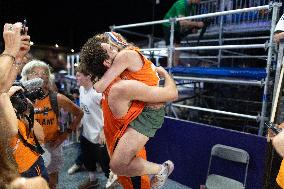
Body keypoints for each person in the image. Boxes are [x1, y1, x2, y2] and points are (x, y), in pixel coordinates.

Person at [79, 34, 178, 189]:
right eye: (110, 47)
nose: (113, 47)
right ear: (106, 62)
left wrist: (166, 75)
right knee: (119, 166)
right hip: (121, 137)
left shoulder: (120, 82)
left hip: (142, 122)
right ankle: (131, 170)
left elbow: (172, 94)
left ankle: (160, 169)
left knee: (121, 167)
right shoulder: (117, 77)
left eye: (110, 45)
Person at [20, 60, 84, 189]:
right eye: (34, 73)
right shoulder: (19, 99)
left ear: (48, 77)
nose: (39, 76)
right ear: (26, 76)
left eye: (44, 73)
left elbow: (79, 113)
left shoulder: (56, 98)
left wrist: (65, 135)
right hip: (28, 148)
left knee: (51, 182)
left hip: (51, 145)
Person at [73, 67, 114, 189]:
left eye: (79, 75)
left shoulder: (97, 93)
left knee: (105, 164)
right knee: (88, 160)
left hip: (99, 136)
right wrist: (80, 122)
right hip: (86, 133)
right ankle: (93, 180)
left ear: (88, 77)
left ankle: (110, 183)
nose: (76, 77)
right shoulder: (81, 89)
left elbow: (110, 112)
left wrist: (103, 130)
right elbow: (84, 109)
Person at [162, 0, 204, 66]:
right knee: (171, 47)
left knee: (178, 46)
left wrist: (192, 27)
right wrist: (197, 24)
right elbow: (182, 22)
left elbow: (187, 23)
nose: (199, 1)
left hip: (177, 27)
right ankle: (169, 68)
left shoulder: (192, 7)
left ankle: (175, 66)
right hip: (168, 25)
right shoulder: (180, 4)